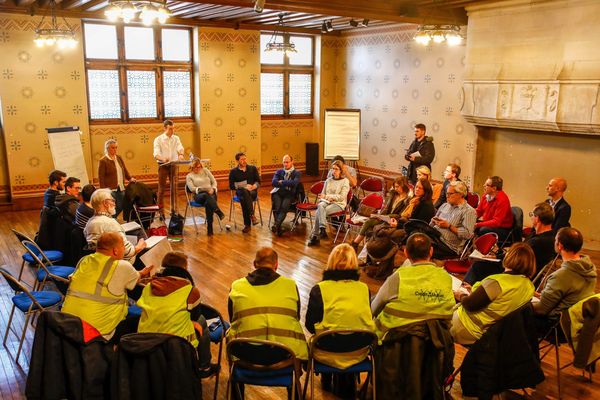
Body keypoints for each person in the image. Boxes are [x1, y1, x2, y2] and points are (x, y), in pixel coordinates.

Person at [305, 244, 375, 396]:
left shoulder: (319, 289)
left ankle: (326, 378)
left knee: (324, 336)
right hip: (358, 351)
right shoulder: (364, 289)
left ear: (331, 262)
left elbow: (310, 325)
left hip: (327, 350)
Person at [137, 251, 218, 377]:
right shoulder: (190, 291)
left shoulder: (148, 287)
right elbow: (195, 317)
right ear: (185, 269)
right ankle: (204, 366)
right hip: (177, 346)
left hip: (146, 342)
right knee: (201, 321)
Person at [61, 232, 152, 342]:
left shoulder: (84, 260)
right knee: (142, 319)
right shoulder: (121, 266)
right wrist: (143, 272)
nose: (125, 249)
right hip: (97, 335)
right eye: (124, 246)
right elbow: (136, 278)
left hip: (67, 327)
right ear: (115, 250)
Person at [227, 247, 308, 361]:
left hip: (246, 354)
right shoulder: (290, 285)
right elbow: (296, 317)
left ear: (255, 264)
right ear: (276, 265)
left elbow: (233, 319)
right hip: (286, 354)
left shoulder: (237, 287)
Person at [371, 233, 455, 341]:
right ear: (431, 251)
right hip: (434, 342)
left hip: (392, 342)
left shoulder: (398, 278)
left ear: (406, 252)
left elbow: (374, 308)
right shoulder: (446, 277)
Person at [451, 242, 536, 345]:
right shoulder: (529, 287)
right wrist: (475, 291)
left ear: (509, 257)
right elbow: (500, 302)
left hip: (466, 327)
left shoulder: (496, 282)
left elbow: (469, 305)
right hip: (489, 335)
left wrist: (460, 295)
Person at [464, 202, 557, 285]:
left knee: (478, 266)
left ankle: (464, 293)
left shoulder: (537, 241)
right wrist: (497, 257)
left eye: (532, 214)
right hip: (520, 270)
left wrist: (499, 257)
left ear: (537, 219)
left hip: (517, 274)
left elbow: (516, 258)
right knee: (483, 264)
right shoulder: (549, 236)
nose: (531, 217)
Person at [533, 227, 597, 331]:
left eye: (555, 240)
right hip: (578, 321)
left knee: (515, 314)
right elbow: (568, 296)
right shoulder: (589, 268)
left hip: (558, 325)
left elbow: (541, 310)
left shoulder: (561, 276)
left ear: (560, 245)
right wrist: (538, 295)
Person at [84, 189, 146, 264]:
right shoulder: (109, 223)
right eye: (113, 201)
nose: (115, 204)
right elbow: (127, 252)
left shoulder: (89, 222)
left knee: (136, 232)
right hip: (118, 263)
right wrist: (139, 246)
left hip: (100, 261)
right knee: (147, 246)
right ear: (106, 203)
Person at [351, 176, 411, 250]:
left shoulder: (408, 199)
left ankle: (356, 244)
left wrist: (382, 216)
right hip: (385, 218)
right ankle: (360, 246)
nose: (395, 189)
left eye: (397, 187)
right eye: (394, 186)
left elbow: (399, 215)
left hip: (394, 220)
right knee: (369, 223)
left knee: (369, 224)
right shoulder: (394, 194)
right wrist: (379, 215)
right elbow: (386, 208)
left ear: (403, 186)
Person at [429, 180, 477, 259]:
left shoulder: (469, 211)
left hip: (448, 246)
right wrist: (433, 221)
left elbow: (467, 234)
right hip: (435, 237)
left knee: (418, 246)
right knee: (414, 235)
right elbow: (431, 224)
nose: (447, 196)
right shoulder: (445, 205)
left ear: (460, 194)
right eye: (446, 193)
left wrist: (449, 226)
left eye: (450, 194)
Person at [307, 160, 350, 246]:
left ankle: (316, 236)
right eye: (333, 169)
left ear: (341, 170)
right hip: (326, 202)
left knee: (319, 212)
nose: (334, 171)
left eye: (336, 169)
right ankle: (322, 229)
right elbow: (323, 194)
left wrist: (328, 197)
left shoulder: (345, 181)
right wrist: (323, 197)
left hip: (338, 204)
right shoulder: (328, 180)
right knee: (320, 205)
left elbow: (341, 197)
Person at [186, 158, 225, 236]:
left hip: (211, 193)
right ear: (192, 167)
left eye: (199, 167)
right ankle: (217, 211)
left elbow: (214, 181)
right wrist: (205, 189)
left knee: (208, 203)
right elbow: (192, 189)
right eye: (196, 167)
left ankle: (210, 228)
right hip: (199, 195)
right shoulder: (189, 176)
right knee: (206, 195)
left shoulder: (206, 171)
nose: (198, 169)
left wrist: (213, 189)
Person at [98, 139, 136, 218]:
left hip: (120, 187)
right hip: (110, 189)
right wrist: (103, 191)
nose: (115, 149)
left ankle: (112, 218)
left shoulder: (119, 157)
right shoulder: (103, 161)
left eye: (116, 147)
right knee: (111, 206)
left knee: (122, 204)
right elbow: (101, 177)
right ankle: (111, 219)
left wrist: (130, 178)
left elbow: (124, 169)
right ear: (107, 148)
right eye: (113, 148)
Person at [153, 119, 184, 208]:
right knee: (161, 189)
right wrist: (163, 159)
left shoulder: (176, 138)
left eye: (173, 129)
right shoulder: (158, 139)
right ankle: (160, 211)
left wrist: (181, 154)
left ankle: (174, 209)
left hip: (173, 165)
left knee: (174, 188)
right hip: (163, 166)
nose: (172, 131)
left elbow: (180, 147)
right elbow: (156, 154)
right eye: (170, 129)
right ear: (164, 128)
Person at [228, 152, 261, 234]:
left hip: (252, 192)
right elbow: (231, 186)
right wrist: (244, 186)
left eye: (245, 159)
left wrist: (254, 186)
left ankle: (247, 225)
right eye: (242, 159)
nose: (244, 161)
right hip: (240, 192)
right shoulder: (233, 172)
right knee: (244, 192)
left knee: (244, 198)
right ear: (237, 161)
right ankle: (252, 216)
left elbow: (258, 181)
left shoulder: (252, 168)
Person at [270, 154, 301, 236]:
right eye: (284, 162)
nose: (285, 164)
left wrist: (282, 182)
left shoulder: (297, 173)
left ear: (292, 162)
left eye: (287, 162)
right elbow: (273, 182)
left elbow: (294, 183)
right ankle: (278, 227)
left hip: (290, 194)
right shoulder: (279, 171)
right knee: (277, 207)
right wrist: (286, 183)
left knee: (284, 207)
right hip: (279, 193)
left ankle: (276, 225)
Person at [475, 176, 513, 242]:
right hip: (489, 224)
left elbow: (496, 222)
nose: (484, 186)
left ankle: (482, 250)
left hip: (502, 228)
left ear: (494, 188)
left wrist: (477, 225)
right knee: (468, 225)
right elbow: (479, 211)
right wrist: (469, 218)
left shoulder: (502, 200)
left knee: (482, 230)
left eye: (487, 185)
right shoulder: (486, 196)